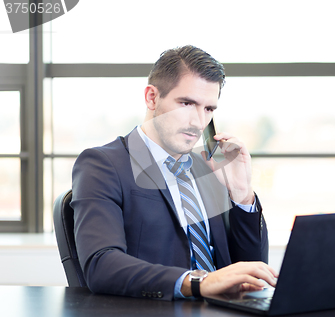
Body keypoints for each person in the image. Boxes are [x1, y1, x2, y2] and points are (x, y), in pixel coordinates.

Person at [71, 45, 277, 301]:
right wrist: (201, 282)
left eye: (208, 109)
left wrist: (242, 195)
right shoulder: (103, 164)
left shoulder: (208, 168)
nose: (198, 122)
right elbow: (102, 265)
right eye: (187, 103)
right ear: (152, 98)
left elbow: (252, 271)